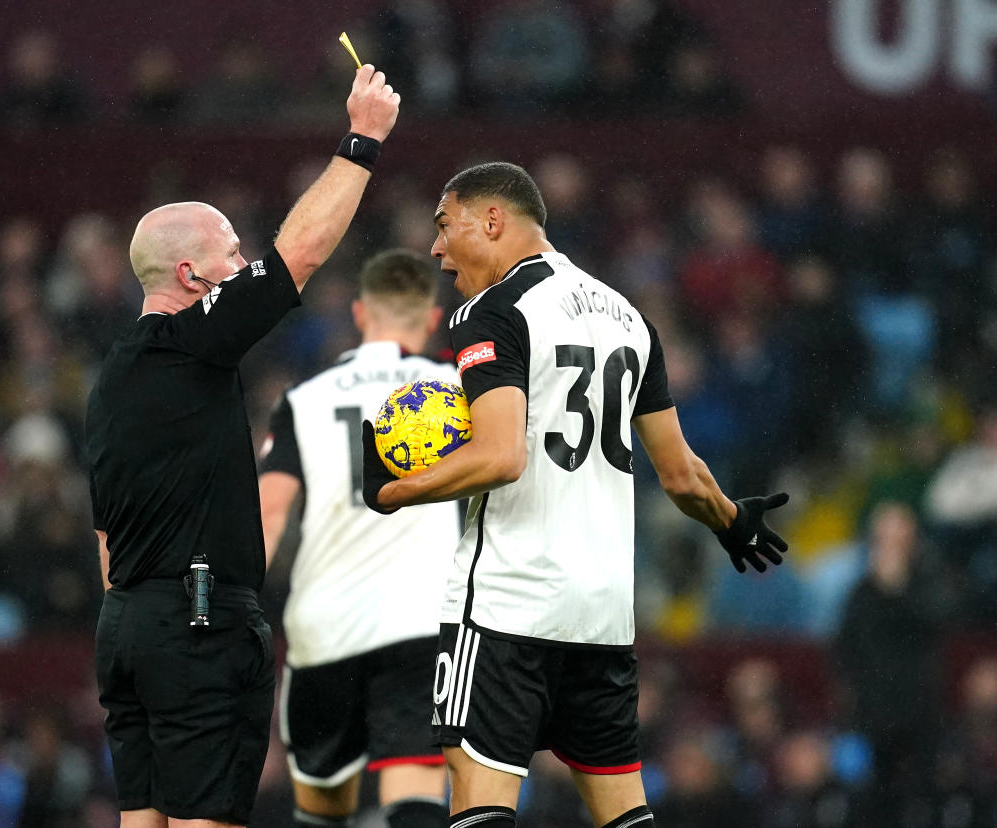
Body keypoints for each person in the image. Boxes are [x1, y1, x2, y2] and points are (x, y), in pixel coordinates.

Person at [360, 162, 789, 828]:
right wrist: (732, 520)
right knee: (624, 815)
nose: (437, 249)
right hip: (602, 618)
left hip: (509, 604)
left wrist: (393, 489)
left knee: (479, 810)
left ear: (493, 220)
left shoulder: (491, 311)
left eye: (445, 226)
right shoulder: (630, 318)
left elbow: (502, 457)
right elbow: (680, 476)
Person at [84, 64, 399, 828]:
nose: (243, 262)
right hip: (198, 623)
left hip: (127, 624)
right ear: (190, 275)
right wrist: (362, 139)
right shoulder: (192, 342)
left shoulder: (113, 380)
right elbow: (303, 252)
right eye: (231, 253)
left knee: (144, 820)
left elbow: (104, 534)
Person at [258, 250, 459, 828]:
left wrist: (229, 608)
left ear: (358, 313)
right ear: (429, 321)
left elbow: (270, 515)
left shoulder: (304, 399)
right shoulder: (450, 390)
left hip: (325, 628)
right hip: (419, 619)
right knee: (416, 790)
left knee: (323, 807)